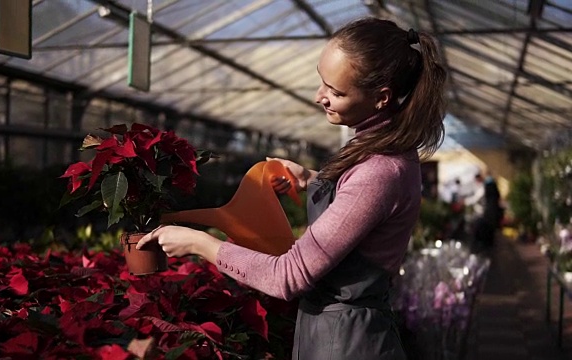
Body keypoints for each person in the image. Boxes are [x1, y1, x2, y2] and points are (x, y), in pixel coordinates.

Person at [137, 17, 446, 360]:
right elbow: (360, 199)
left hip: (346, 345)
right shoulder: (380, 147)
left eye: (336, 92)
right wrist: (312, 179)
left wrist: (201, 243)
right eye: (322, 81)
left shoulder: (380, 170)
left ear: (381, 98)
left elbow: (289, 276)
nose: (319, 97)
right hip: (337, 332)